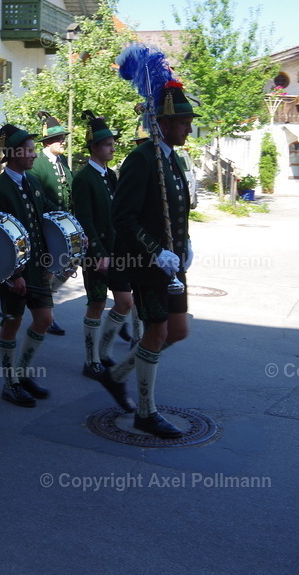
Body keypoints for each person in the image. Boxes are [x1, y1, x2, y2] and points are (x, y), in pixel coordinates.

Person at [98, 80, 196, 439]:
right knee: (157, 331)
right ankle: (145, 412)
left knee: (179, 331)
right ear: (164, 123)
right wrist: (157, 252)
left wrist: (184, 244)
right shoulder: (141, 159)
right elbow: (122, 218)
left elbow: (175, 210)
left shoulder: (172, 158)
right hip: (146, 264)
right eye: (183, 121)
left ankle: (117, 374)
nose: (188, 127)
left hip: (172, 264)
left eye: (188, 120)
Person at [0, 124, 60, 407]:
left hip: (37, 267)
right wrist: (13, 275)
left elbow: (49, 214)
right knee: (12, 322)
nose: (33, 155)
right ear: (13, 153)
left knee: (44, 320)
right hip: (12, 271)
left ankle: (23, 372)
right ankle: (10, 383)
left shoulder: (33, 182)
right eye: (29, 150)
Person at [70, 111, 136, 380]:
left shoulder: (110, 175)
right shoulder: (83, 178)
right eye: (108, 144)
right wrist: (98, 253)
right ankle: (91, 359)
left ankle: (105, 351)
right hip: (96, 255)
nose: (112, 148)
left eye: (113, 143)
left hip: (117, 252)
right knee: (97, 302)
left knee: (124, 302)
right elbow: (84, 219)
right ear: (94, 147)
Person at [27, 111, 71, 337]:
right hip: (46, 227)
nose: (63, 141)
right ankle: (47, 315)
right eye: (58, 138)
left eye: (63, 137)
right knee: (47, 271)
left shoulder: (61, 161)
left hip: (62, 224)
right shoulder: (38, 164)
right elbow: (38, 199)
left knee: (67, 265)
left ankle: (47, 304)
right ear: (47, 142)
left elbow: (68, 190)